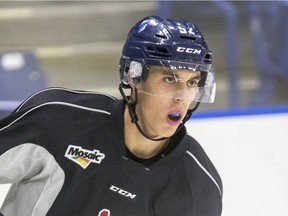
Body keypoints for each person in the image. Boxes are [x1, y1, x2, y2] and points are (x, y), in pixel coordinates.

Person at [0, 16, 222, 216]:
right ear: (132, 76)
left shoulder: (199, 184)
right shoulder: (57, 119)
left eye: (192, 82)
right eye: (170, 79)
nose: (181, 97)